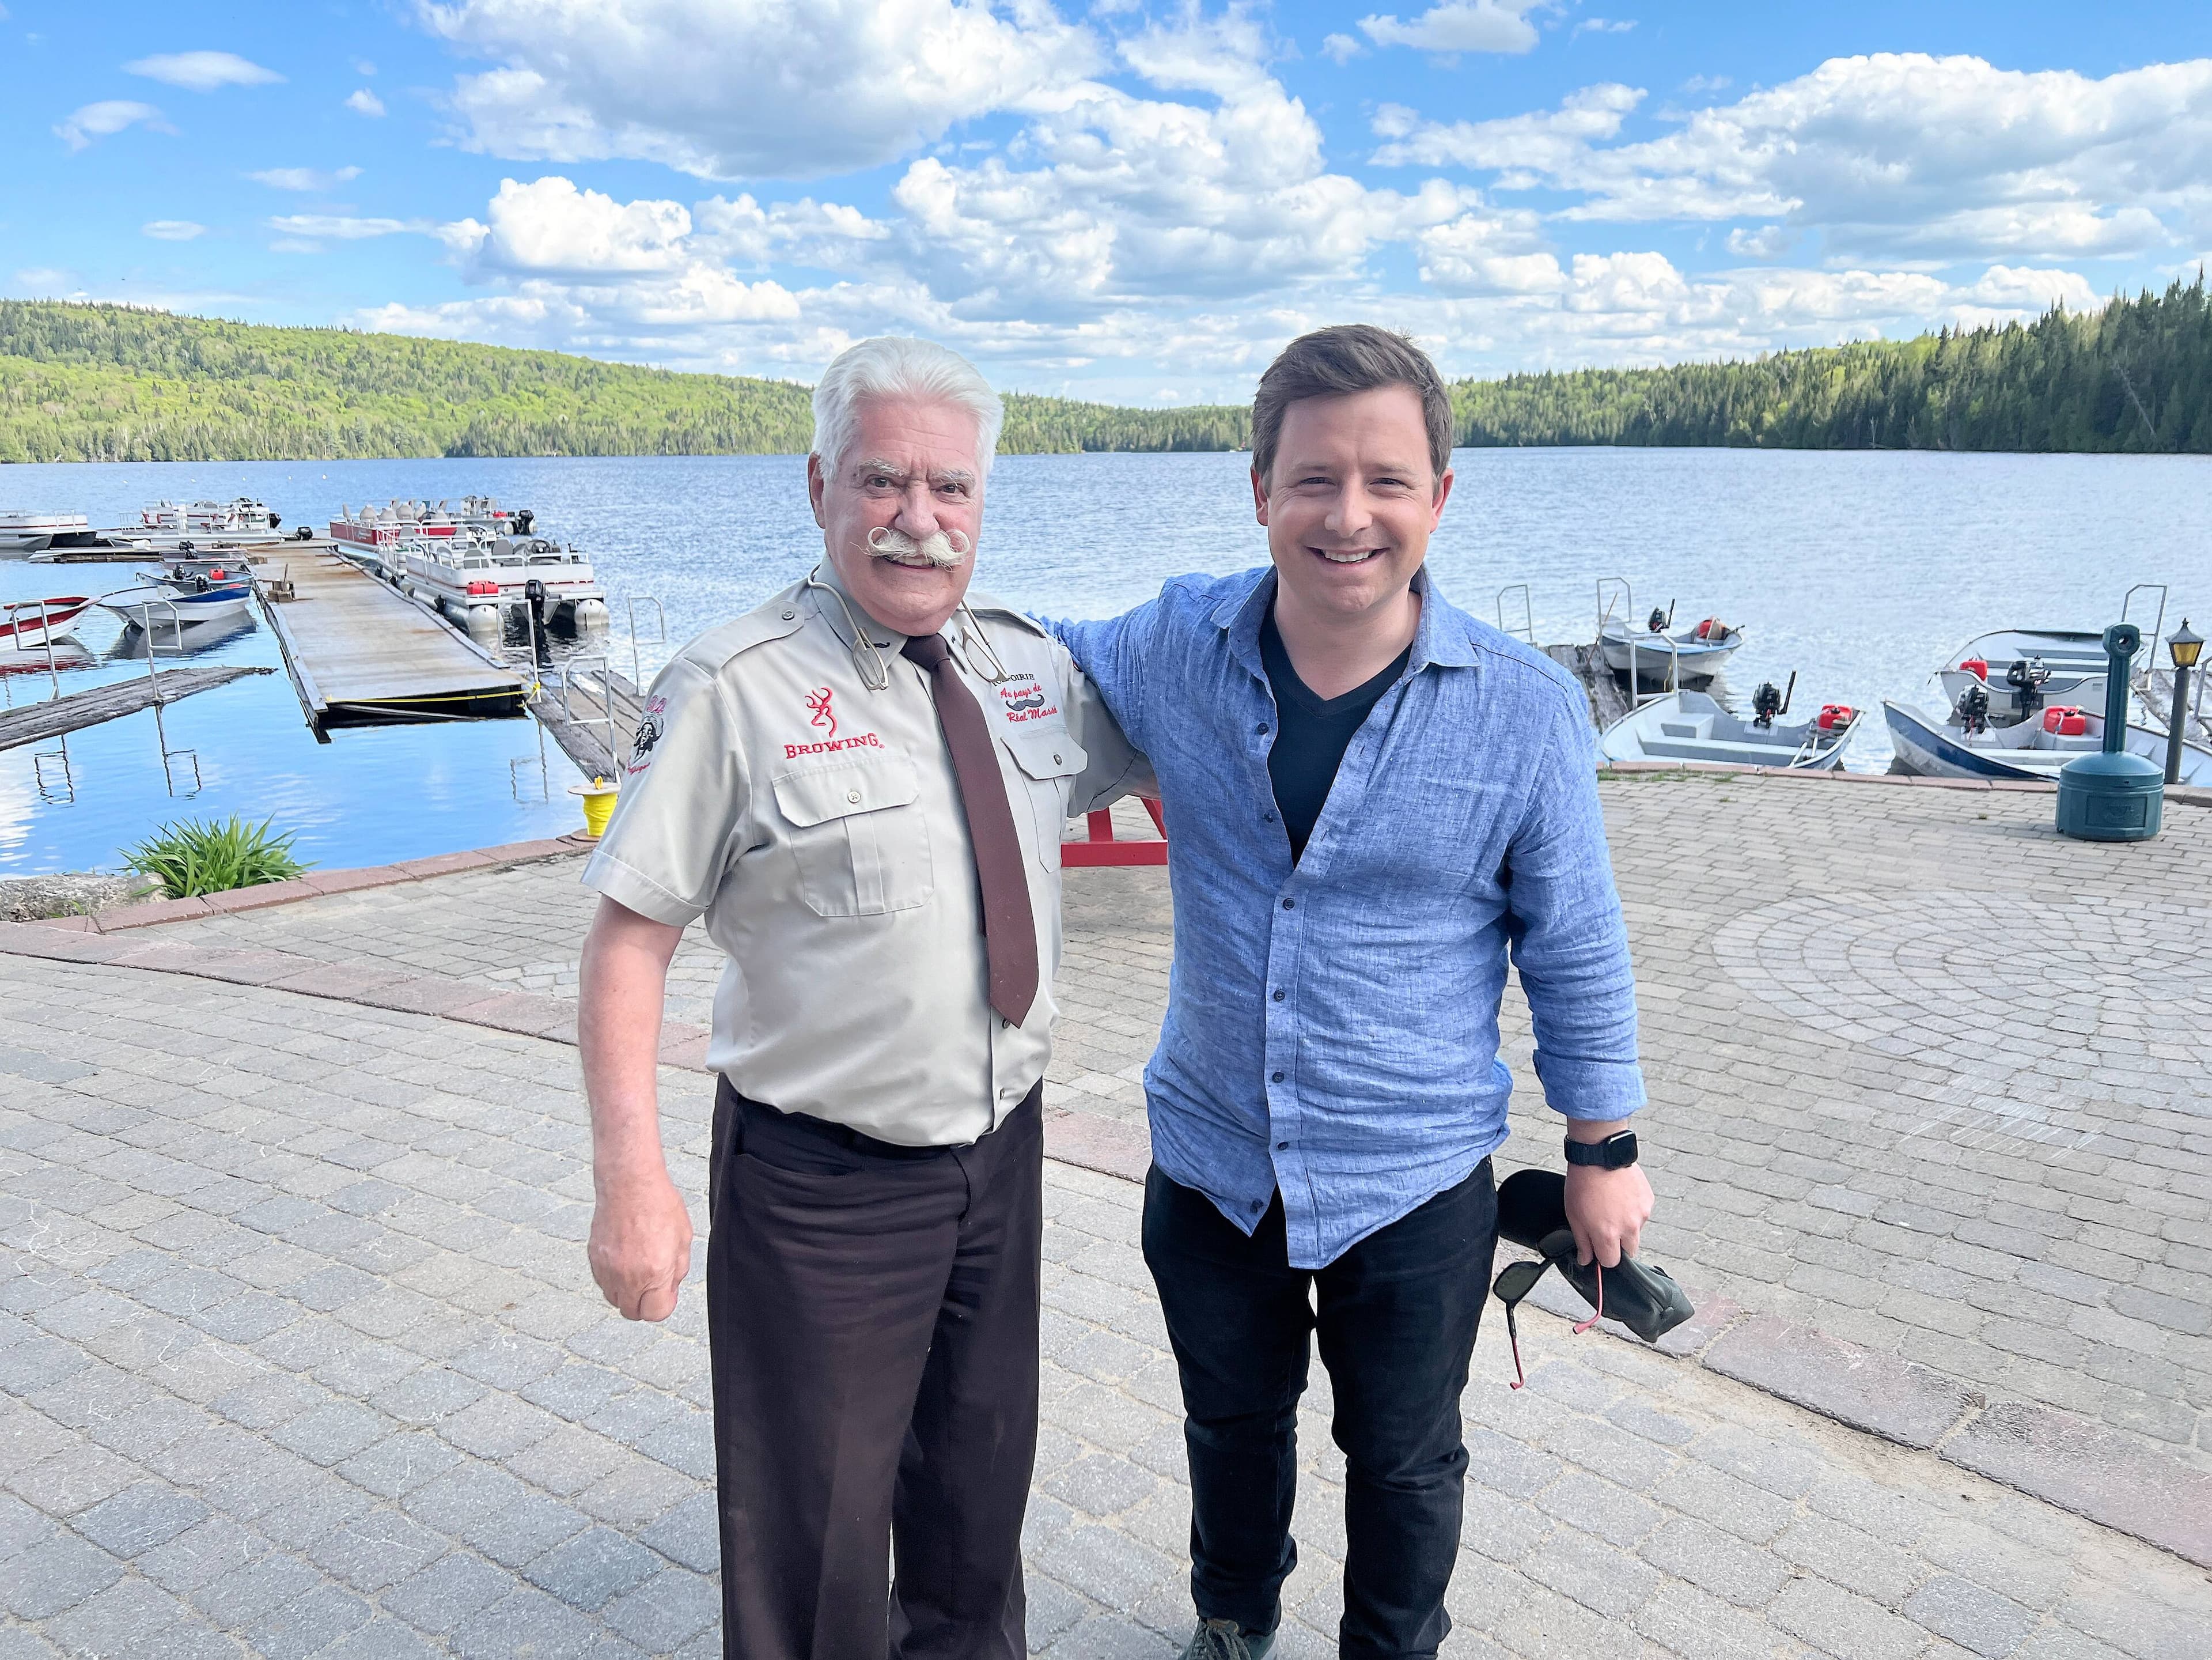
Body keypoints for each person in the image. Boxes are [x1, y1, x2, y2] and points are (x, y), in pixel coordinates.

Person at [1049, 324, 1654, 1660]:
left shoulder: (1525, 711)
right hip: (1212, 1151)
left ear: (1439, 496)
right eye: (1313, 477)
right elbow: (1034, 660)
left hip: (1414, 1170)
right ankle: (1233, 1617)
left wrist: (1602, 1149)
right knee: (1232, 1422)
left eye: (1387, 479)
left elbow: (1576, 944)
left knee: (1404, 1460)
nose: (1349, 514)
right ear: (1259, 489)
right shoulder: (1178, 645)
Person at [576, 336, 1147, 1660]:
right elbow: (626, 941)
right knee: (814, 1546)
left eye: (951, 489)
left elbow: (1184, 744)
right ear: (820, 481)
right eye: (884, 482)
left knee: (974, 1505)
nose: (919, 521)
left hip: (1000, 1154)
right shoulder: (734, 689)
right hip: (822, 1184)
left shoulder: (1026, 669)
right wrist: (632, 1181)